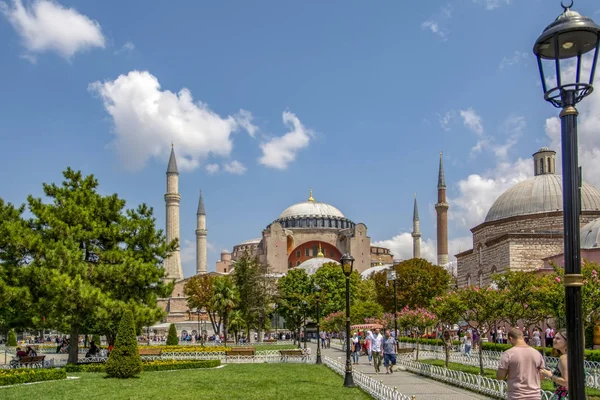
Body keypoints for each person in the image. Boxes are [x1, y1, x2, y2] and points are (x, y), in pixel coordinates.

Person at [496, 328, 545, 400]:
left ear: (510, 338)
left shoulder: (508, 354)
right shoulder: (537, 353)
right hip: (535, 395)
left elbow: (500, 376)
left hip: (516, 395)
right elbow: (542, 376)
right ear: (522, 337)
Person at [540, 329, 568, 399]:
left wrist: (550, 375)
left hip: (565, 396)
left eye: (558, 338)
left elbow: (566, 381)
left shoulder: (564, 358)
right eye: (554, 337)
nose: (554, 340)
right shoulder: (571, 356)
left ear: (567, 341)